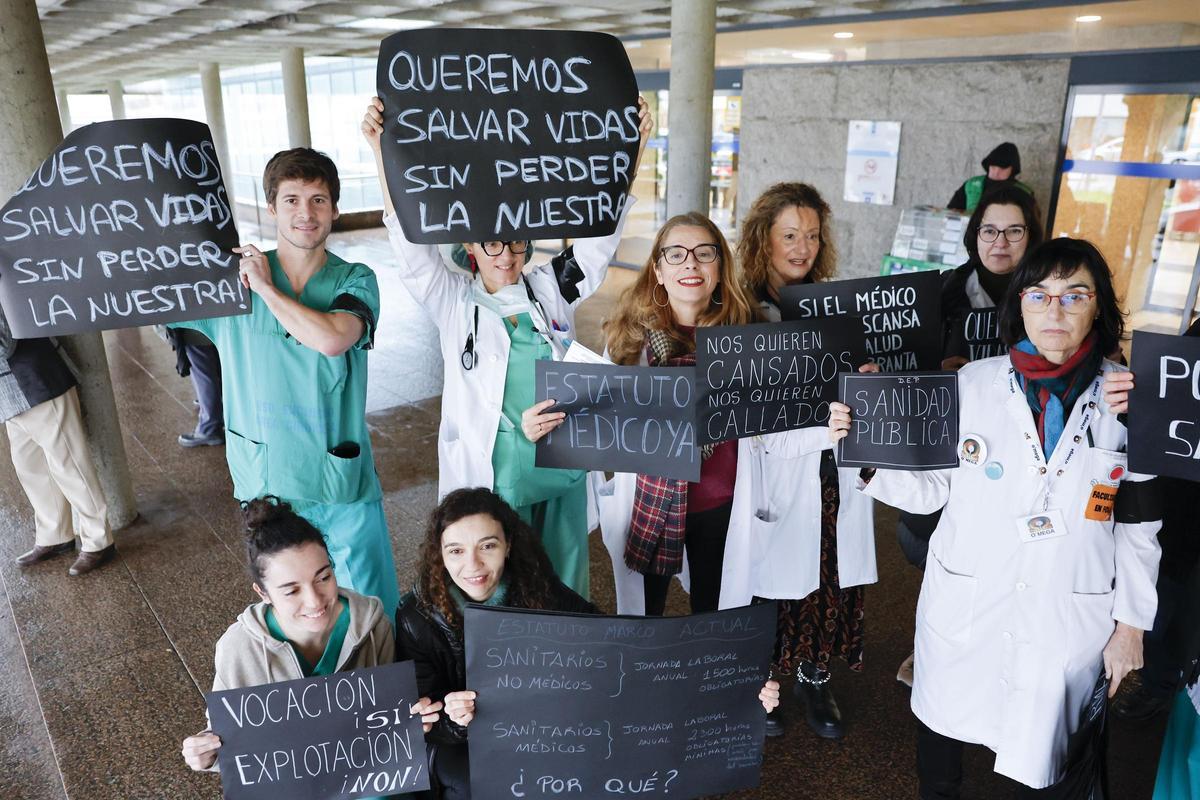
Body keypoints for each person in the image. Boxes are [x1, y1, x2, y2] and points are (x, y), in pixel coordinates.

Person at [829, 237, 1162, 797]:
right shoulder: (973, 385)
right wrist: (866, 457)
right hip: (969, 595)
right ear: (1019, 304)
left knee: (1046, 757)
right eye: (1039, 294)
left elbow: (1139, 526)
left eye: (1074, 295)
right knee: (943, 735)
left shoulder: (1128, 402)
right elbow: (932, 490)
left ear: (1098, 306)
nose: (1054, 311)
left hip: (1068, 608)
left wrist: (1131, 626)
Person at [361, 96, 653, 599]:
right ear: (470, 247)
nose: (508, 256)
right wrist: (381, 152)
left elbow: (599, 242)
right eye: (493, 244)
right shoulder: (454, 300)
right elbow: (409, 247)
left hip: (560, 462)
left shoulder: (549, 287)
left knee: (565, 582)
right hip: (496, 471)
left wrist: (634, 149)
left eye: (517, 243)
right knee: (500, 585)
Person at [395, 487, 781, 799]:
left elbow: (612, 642)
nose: (473, 566)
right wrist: (452, 717)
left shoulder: (535, 586)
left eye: (488, 546)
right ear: (439, 556)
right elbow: (419, 724)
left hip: (544, 728)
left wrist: (737, 685)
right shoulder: (416, 617)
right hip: (467, 744)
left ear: (508, 545)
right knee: (470, 785)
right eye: (456, 551)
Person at [169, 147, 400, 619]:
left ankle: (389, 694)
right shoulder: (230, 283)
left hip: (338, 478)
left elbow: (333, 339)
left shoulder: (354, 279)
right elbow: (149, 289)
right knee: (297, 611)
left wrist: (268, 289)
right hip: (268, 483)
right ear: (272, 208)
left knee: (369, 608)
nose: (306, 213)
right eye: (292, 199)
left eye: (318, 200)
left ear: (335, 209)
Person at [728, 181, 878, 739]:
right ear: (762, 239)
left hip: (834, 469)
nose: (802, 248)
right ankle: (763, 680)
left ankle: (815, 674)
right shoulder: (741, 310)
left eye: (812, 236)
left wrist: (869, 382)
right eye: (789, 235)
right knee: (770, 580)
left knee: (830, 575)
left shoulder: (837, 308)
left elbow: (860, 379)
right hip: (778, 471)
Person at [896, 184, 1045, 686]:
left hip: (1023, 456)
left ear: (1032, 237)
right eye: (989, 230)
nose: (1000, 241)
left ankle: (997, 661)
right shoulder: (940, 293)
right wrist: (940, 371)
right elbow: (909, 371)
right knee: (939, 554)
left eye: (1013, 230)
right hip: (950, 450)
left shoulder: (1045, 299)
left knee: (1011, 559)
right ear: (973, 235)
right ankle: (931, 649)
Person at [180, 497, 441, 780]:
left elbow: (395, 713)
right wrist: (207, 753)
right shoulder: (239, 649)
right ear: (263, 594)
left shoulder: (373, 624)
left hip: (368, 780)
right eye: (291, 591)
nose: (315, 601)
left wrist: (415, 720)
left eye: (324, 577)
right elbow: (227, 738)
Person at [1, 310, 114, 575]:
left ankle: (99, 540)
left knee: (69, 463)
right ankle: (55, 535)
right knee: (30, 467)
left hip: (34, 375)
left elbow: (5, 339)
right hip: (10, 391)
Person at [947, 142, 1035, 214]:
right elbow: (951, 212)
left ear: (1013, 169)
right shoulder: (972, 184)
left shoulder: (1023, 192)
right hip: (970, 233)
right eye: (993, 166)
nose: (996, 172)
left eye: (1002, 168)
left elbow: (1031, 224)